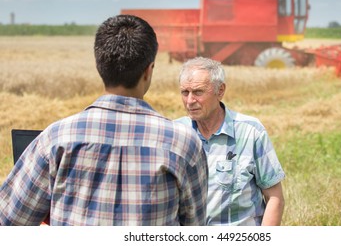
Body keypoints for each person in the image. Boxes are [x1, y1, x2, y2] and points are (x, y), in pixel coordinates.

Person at [0, 15, 208, 226]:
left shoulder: (56, 138)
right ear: (148, 71)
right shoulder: (183, 144)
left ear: (99, 65)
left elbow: (9, 221)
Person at [175, 57, 285, 226]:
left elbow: (274, 198)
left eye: (198, 92)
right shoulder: (175, 133)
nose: (190, 101)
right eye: (185, 92)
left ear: (220, 91)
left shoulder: (250, 132)